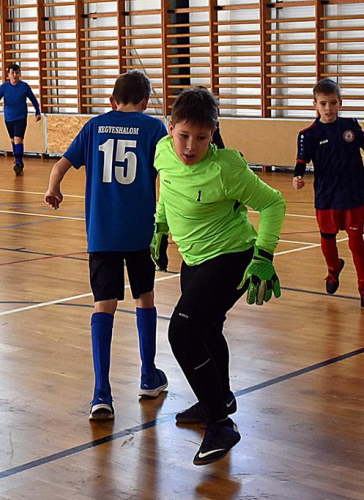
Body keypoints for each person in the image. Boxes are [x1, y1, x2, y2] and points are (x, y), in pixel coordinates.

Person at [151, 87, 285, 465]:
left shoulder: (227, 169)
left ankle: (220, 423)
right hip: (193, 258)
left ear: (213, 133)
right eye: (184, 136)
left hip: (232, 257)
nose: (190, 146)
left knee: (182, 331)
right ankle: (219, 396)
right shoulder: (163, 151)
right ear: (170, 127)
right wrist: (159, 228)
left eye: (202, 138)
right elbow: (168, 188)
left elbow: (273, 203)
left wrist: (263, 255)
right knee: (208, 331)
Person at [44, 71, 168, 421]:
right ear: (145, 103)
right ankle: (148, 375)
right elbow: (170, 175)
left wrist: (54, 188)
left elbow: (60, 165)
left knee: (104, 305)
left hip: (103, 234)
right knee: (145, 297)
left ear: (112, 102)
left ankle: (101, 393)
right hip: (141, 233)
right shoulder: (154, 128)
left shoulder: (94, 126)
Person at [292, 78, 364, 310]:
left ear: (340, 102)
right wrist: (297, 177)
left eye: (333, 103)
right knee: (327, 239)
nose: (328, 108)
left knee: (356, 242)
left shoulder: (350, 125)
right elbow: (301, 160)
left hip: (354, 194)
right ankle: (333, 270)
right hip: (326, 196)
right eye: (323, 103)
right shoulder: (308, 134)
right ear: (315, 105)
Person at [0, 64, 42, 176]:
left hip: (20, 117)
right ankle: (17, 160)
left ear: (19, 74)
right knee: (12, 140)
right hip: (9, 117)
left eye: (17, 73)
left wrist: (37, 111)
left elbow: (33, 99)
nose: (15, 75)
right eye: (13, 73)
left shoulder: (24, 86)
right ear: (8, 75)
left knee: (18, 140)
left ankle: (19, 163)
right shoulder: (4, 87)